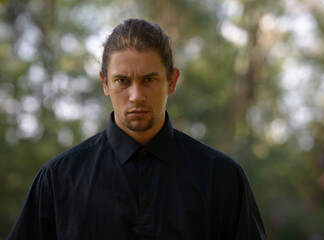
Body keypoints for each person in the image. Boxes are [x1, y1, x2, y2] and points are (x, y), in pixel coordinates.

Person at [8, 18, 266, 239]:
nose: (136, 96)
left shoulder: (222, 178)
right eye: (122, 81)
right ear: (105, 83)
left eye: (149, 80)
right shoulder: (58, 180)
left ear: (172, 81)